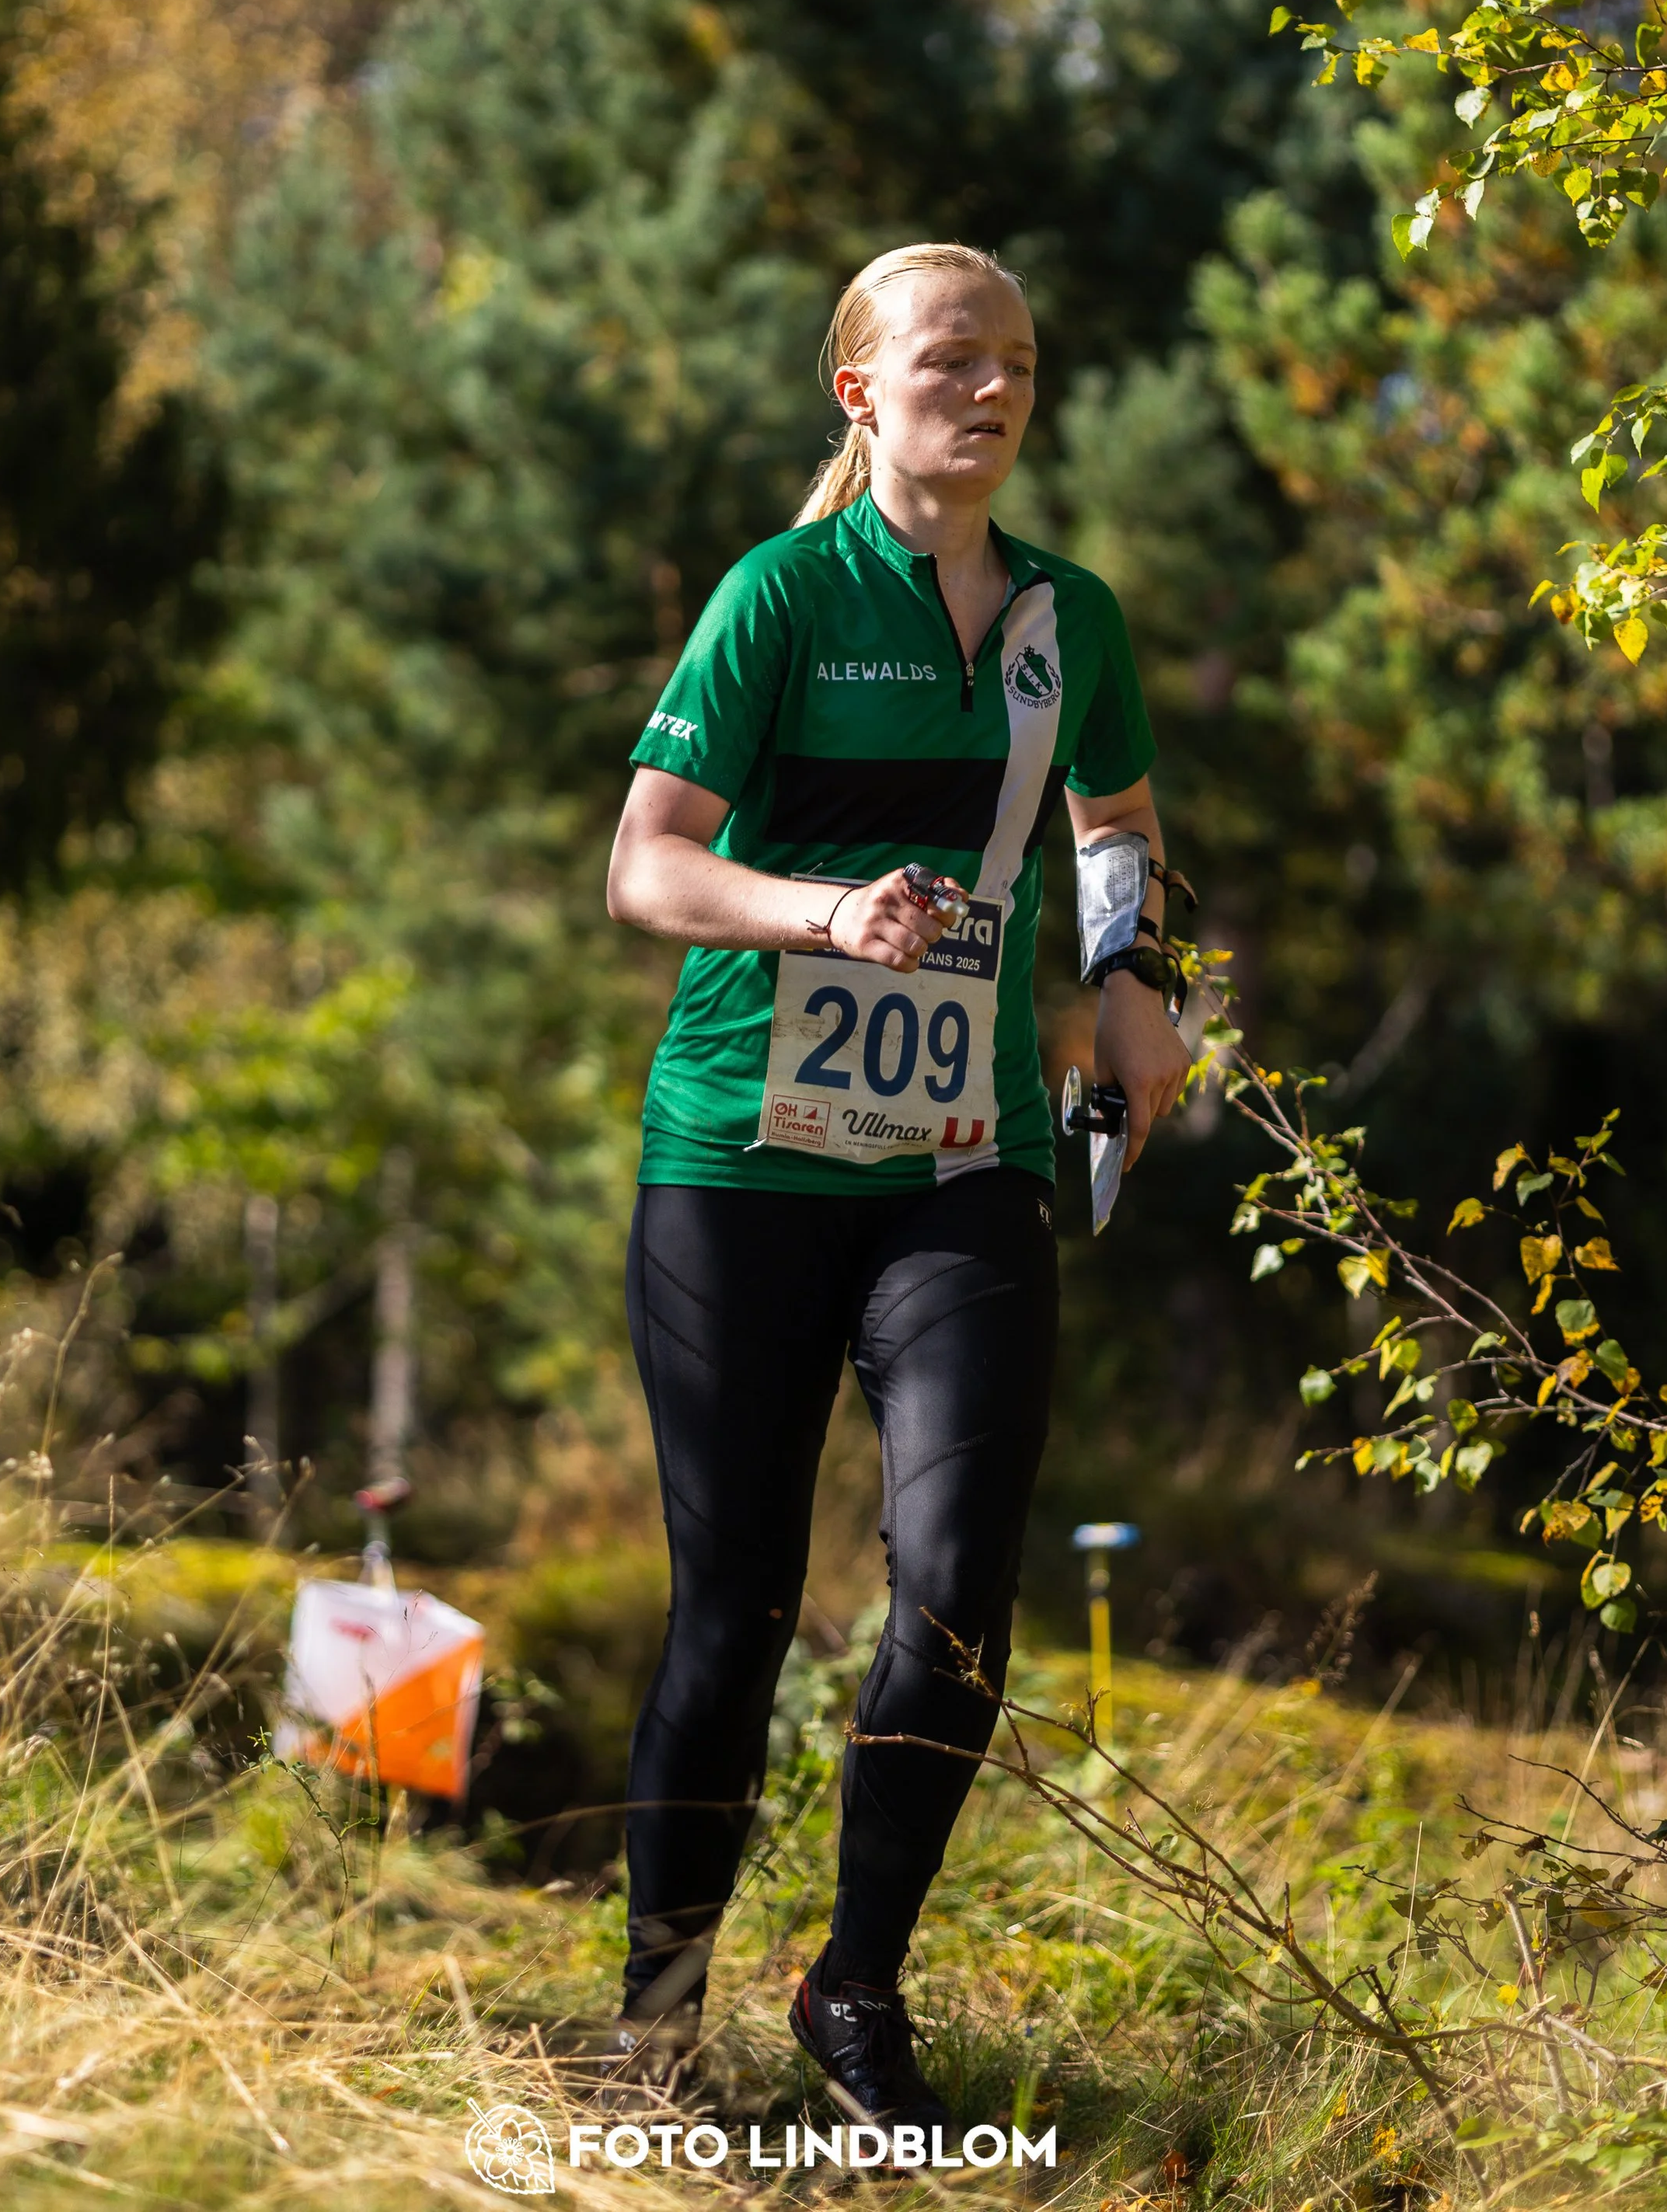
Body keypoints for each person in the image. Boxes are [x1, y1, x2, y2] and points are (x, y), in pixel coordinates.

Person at [604, 242, 1188, 2127]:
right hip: (743, 1158)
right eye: (953, 359)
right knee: (736, 1605)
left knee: (948, 1587)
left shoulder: (1064, 616)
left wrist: (1129, 986)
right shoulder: (778, 598)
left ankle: (853, 1991)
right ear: (861, 391)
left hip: (961, 1158)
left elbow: (1113, 821)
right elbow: (646, 866)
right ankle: (657, 2014)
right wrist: (821, 910)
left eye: (1016, 360)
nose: (994, 387)